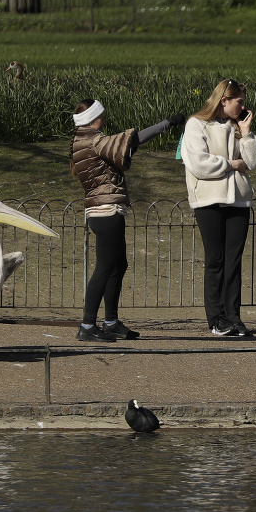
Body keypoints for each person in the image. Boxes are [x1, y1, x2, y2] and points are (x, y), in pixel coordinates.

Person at [70, 99, 185, 342]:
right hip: (107, 211)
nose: (105, 119)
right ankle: (87, 325)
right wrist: (167, 124)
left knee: (118, 265)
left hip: (104, 211)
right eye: (102, 115)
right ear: (95, 118)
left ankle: (110, 321)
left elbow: (124, 148)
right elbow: (132, 141)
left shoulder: (83, 141)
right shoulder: (95, 140)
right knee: (104, 268)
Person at [180, 79, 256, 337]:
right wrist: (231, 164)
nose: (243, 106)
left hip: (238, 200)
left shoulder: (238, 127)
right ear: (224, 100)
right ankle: (216, 318)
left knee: (233, 261)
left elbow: (253, 161)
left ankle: (233, 316)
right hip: (209, 200)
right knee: (215, 259)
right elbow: (198, 163)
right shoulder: (196, 124)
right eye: (239, 101)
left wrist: (247, 133)